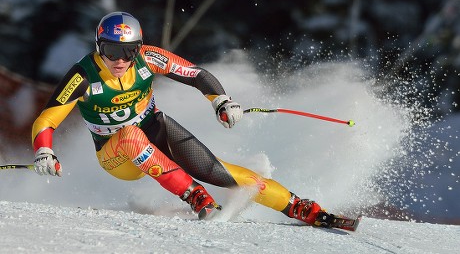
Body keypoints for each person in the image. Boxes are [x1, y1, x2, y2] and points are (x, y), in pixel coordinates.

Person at [32, 12, 330, 226]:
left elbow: (196, 74)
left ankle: (299, 207)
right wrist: (44, 150)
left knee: (219, 172)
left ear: (138, 48)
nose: (121, 60)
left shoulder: (148, 58)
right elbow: (46, 120)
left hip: (155, 128)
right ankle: (193, 194)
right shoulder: (83, 75)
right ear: (99, 47)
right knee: (130, 136)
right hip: (116, 155)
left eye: (128, 51)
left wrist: (221, 101)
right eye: (112, 51)